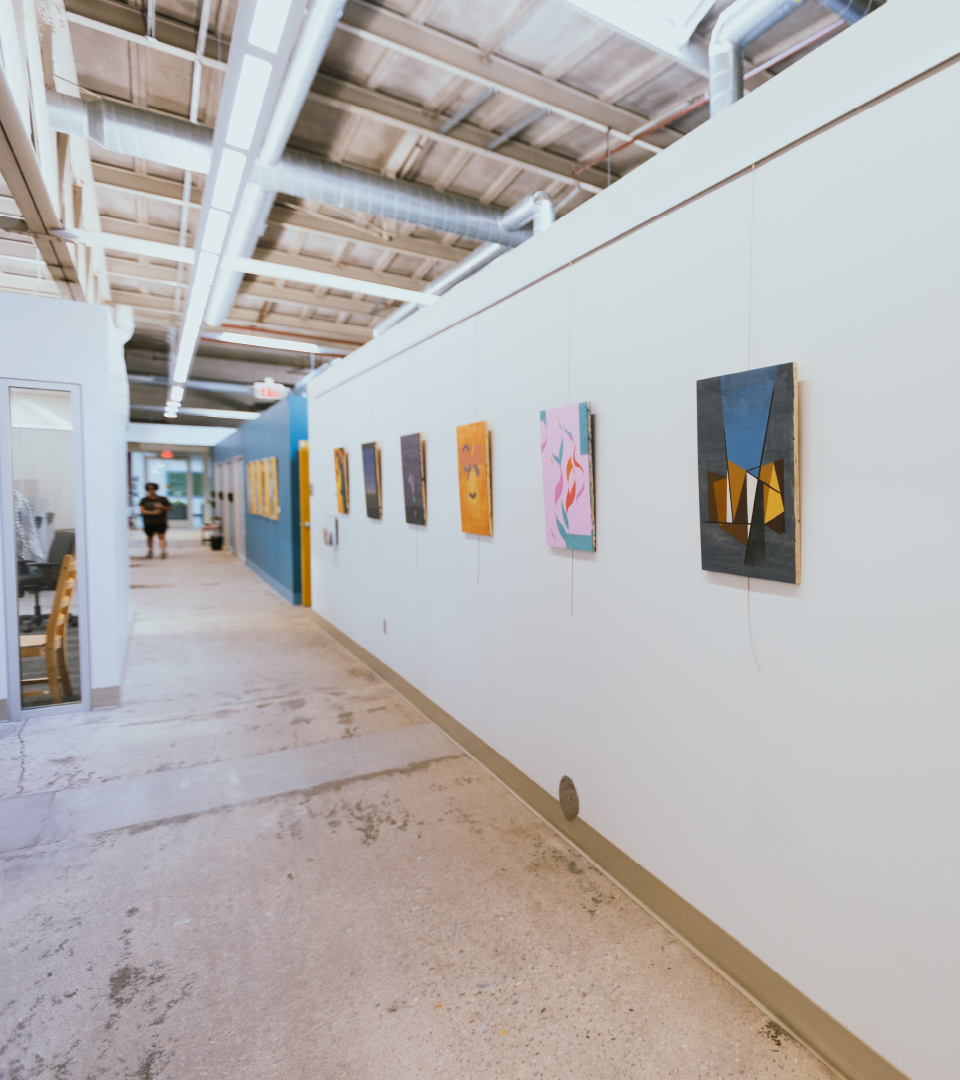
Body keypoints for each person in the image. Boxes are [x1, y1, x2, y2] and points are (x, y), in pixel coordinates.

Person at [140, 483, 171, 559]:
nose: (151, 491)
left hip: (160, 521)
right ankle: (150, 550)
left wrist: (162, 507)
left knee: (161, 536)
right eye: (149, 489)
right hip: (148, 521)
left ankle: (163, 551)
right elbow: (142, 510)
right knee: (149, 536)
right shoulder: (144, 500)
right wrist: (153, 513)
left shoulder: (162, 499)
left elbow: (169, 508)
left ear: (156, 489)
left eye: (153, 489)